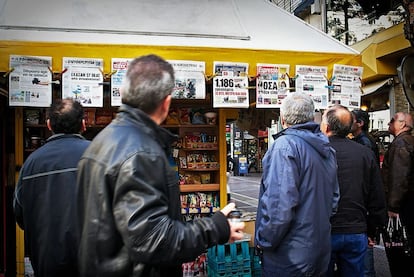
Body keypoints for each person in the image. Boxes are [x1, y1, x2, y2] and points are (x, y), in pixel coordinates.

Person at [76, 54, 245, 277]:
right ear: (166, 103)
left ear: (123, 94)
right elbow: (153, 240)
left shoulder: (98, 144)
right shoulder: (142, 152)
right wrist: (216, 228)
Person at [254, 92, 340, 276]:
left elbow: (279, 208)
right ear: (310, 117)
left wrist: (264, 240)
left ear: (283, 118)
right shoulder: (326, 148)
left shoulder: (285, 146)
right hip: (319, 247)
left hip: (290, 254)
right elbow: (333, 200)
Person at [14, 98, 90, 277]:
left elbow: (20, 215)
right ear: (83, 124)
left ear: (48, 125)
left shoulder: (31, 163)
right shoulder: (100, 155)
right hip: (92, 259)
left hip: (47, 261)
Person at [320, 105, 387, 277]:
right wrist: (373, 230)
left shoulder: (316, 151)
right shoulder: (365, 153)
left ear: (326, 127)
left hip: (323, 231)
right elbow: (376, 195)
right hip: (356, 229)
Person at [382, 112, 414, 276]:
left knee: (399, 249)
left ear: (402, 124)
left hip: (402, 207)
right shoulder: (407, 141)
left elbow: (399, 178)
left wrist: (393, 207)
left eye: (392, 120)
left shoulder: (400, 144)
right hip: (408, 204)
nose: (388, 123)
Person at [351, 108, 380, 277]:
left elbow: (368, 175)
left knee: (366, 244)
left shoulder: (364, 143)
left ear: (360, 124)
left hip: (363, 201)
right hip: (364, 200)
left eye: (352, 120)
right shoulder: (362, 141)